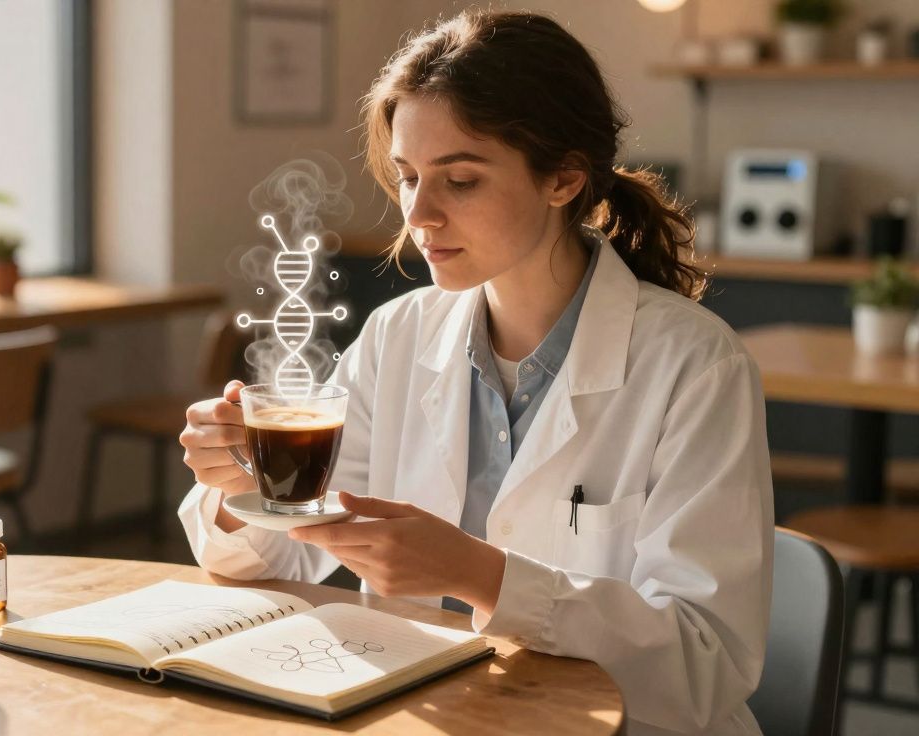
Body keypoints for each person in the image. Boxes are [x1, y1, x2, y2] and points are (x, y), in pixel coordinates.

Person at [178, 9, 772, 735]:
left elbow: (704, 665)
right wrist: (240, 482)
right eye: (407, 177)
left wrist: (479, 574)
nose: (419, 213)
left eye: (459, 180)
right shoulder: (400, 336)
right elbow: (270, 560)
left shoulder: (694, 365)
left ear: (563, 179)